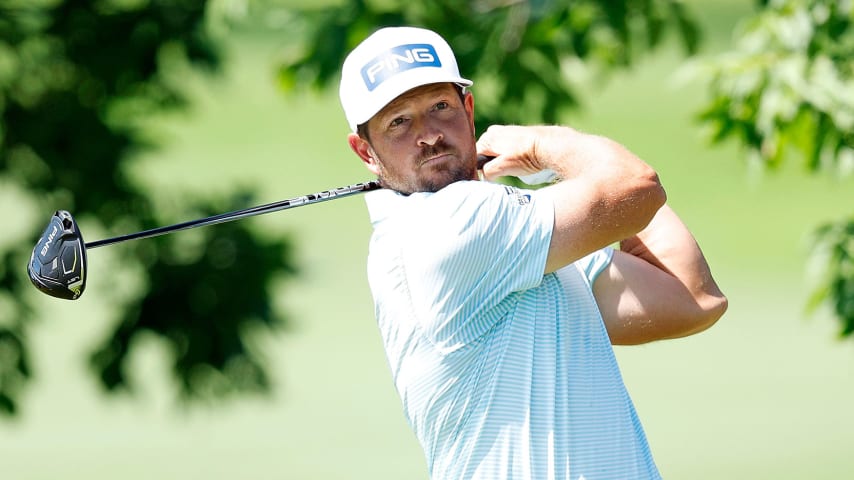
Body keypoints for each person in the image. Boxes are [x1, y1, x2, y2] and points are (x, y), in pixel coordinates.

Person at [339, 26, 727, 480]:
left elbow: (691, 297)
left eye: (440, 107)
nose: (428, 136)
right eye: (399, 122)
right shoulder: (451, 225)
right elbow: (636, 186)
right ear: (365, 150)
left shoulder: (521, 240)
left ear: (468, 110)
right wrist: (546, 148)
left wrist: (556, 180)